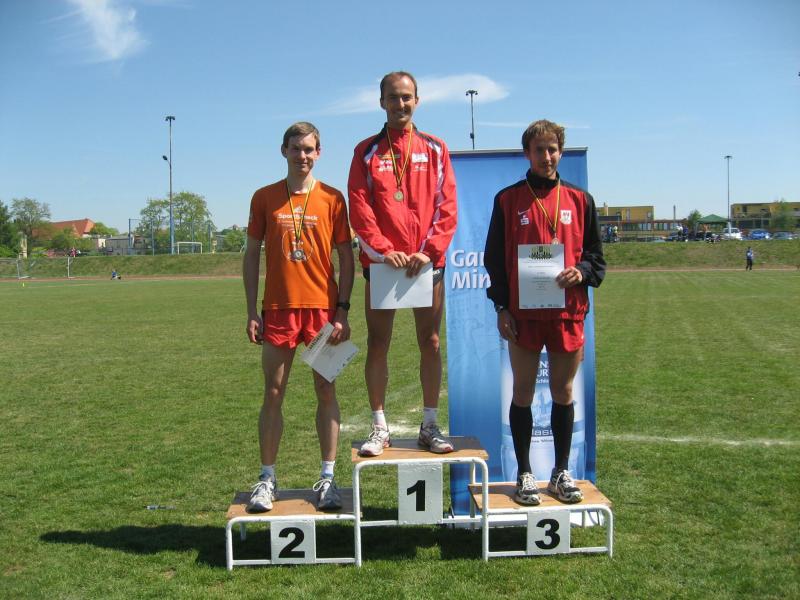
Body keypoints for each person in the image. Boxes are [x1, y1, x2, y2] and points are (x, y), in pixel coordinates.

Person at [484, 119, 605, 505]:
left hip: (566, 312)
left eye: (552, 149)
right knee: (522, 391)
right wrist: (501, 306)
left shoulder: (580, 200)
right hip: (523, 314)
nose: (546, 156)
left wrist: (580, 271)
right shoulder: (507, 200)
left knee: (562, 392)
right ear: (527, 153)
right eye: (539, 149)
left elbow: (597, 260)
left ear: (561, 152)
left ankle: (560, 472)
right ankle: (524, 473)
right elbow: (494, 260)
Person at [243, 122, 354, 512]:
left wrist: (342, 310)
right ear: (284, 151)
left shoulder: (333, 198)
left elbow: (346, 257)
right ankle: (266, 479)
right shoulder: (264, 197)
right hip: (278, 309)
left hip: (322, 311)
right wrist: (251, 310)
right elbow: (251, 255)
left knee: (326, 390)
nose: (302, 155)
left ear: (318, 153)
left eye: (309, 149)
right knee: (273, 392)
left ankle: (327, 477)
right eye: (296, 148)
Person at [348, 71, 458, 456]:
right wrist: (382, 250)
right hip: (384, 265)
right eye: (393, 97)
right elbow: (359, 207)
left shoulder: (436, 148)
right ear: (382, 102)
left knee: (431, 342)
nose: (401, 104)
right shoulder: (366, 151)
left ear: (417, 100)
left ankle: (430, 424)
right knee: (379, 343)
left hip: (425, 263)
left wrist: (429, 251)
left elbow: (447, 206)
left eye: (407, 97)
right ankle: (379, 427)